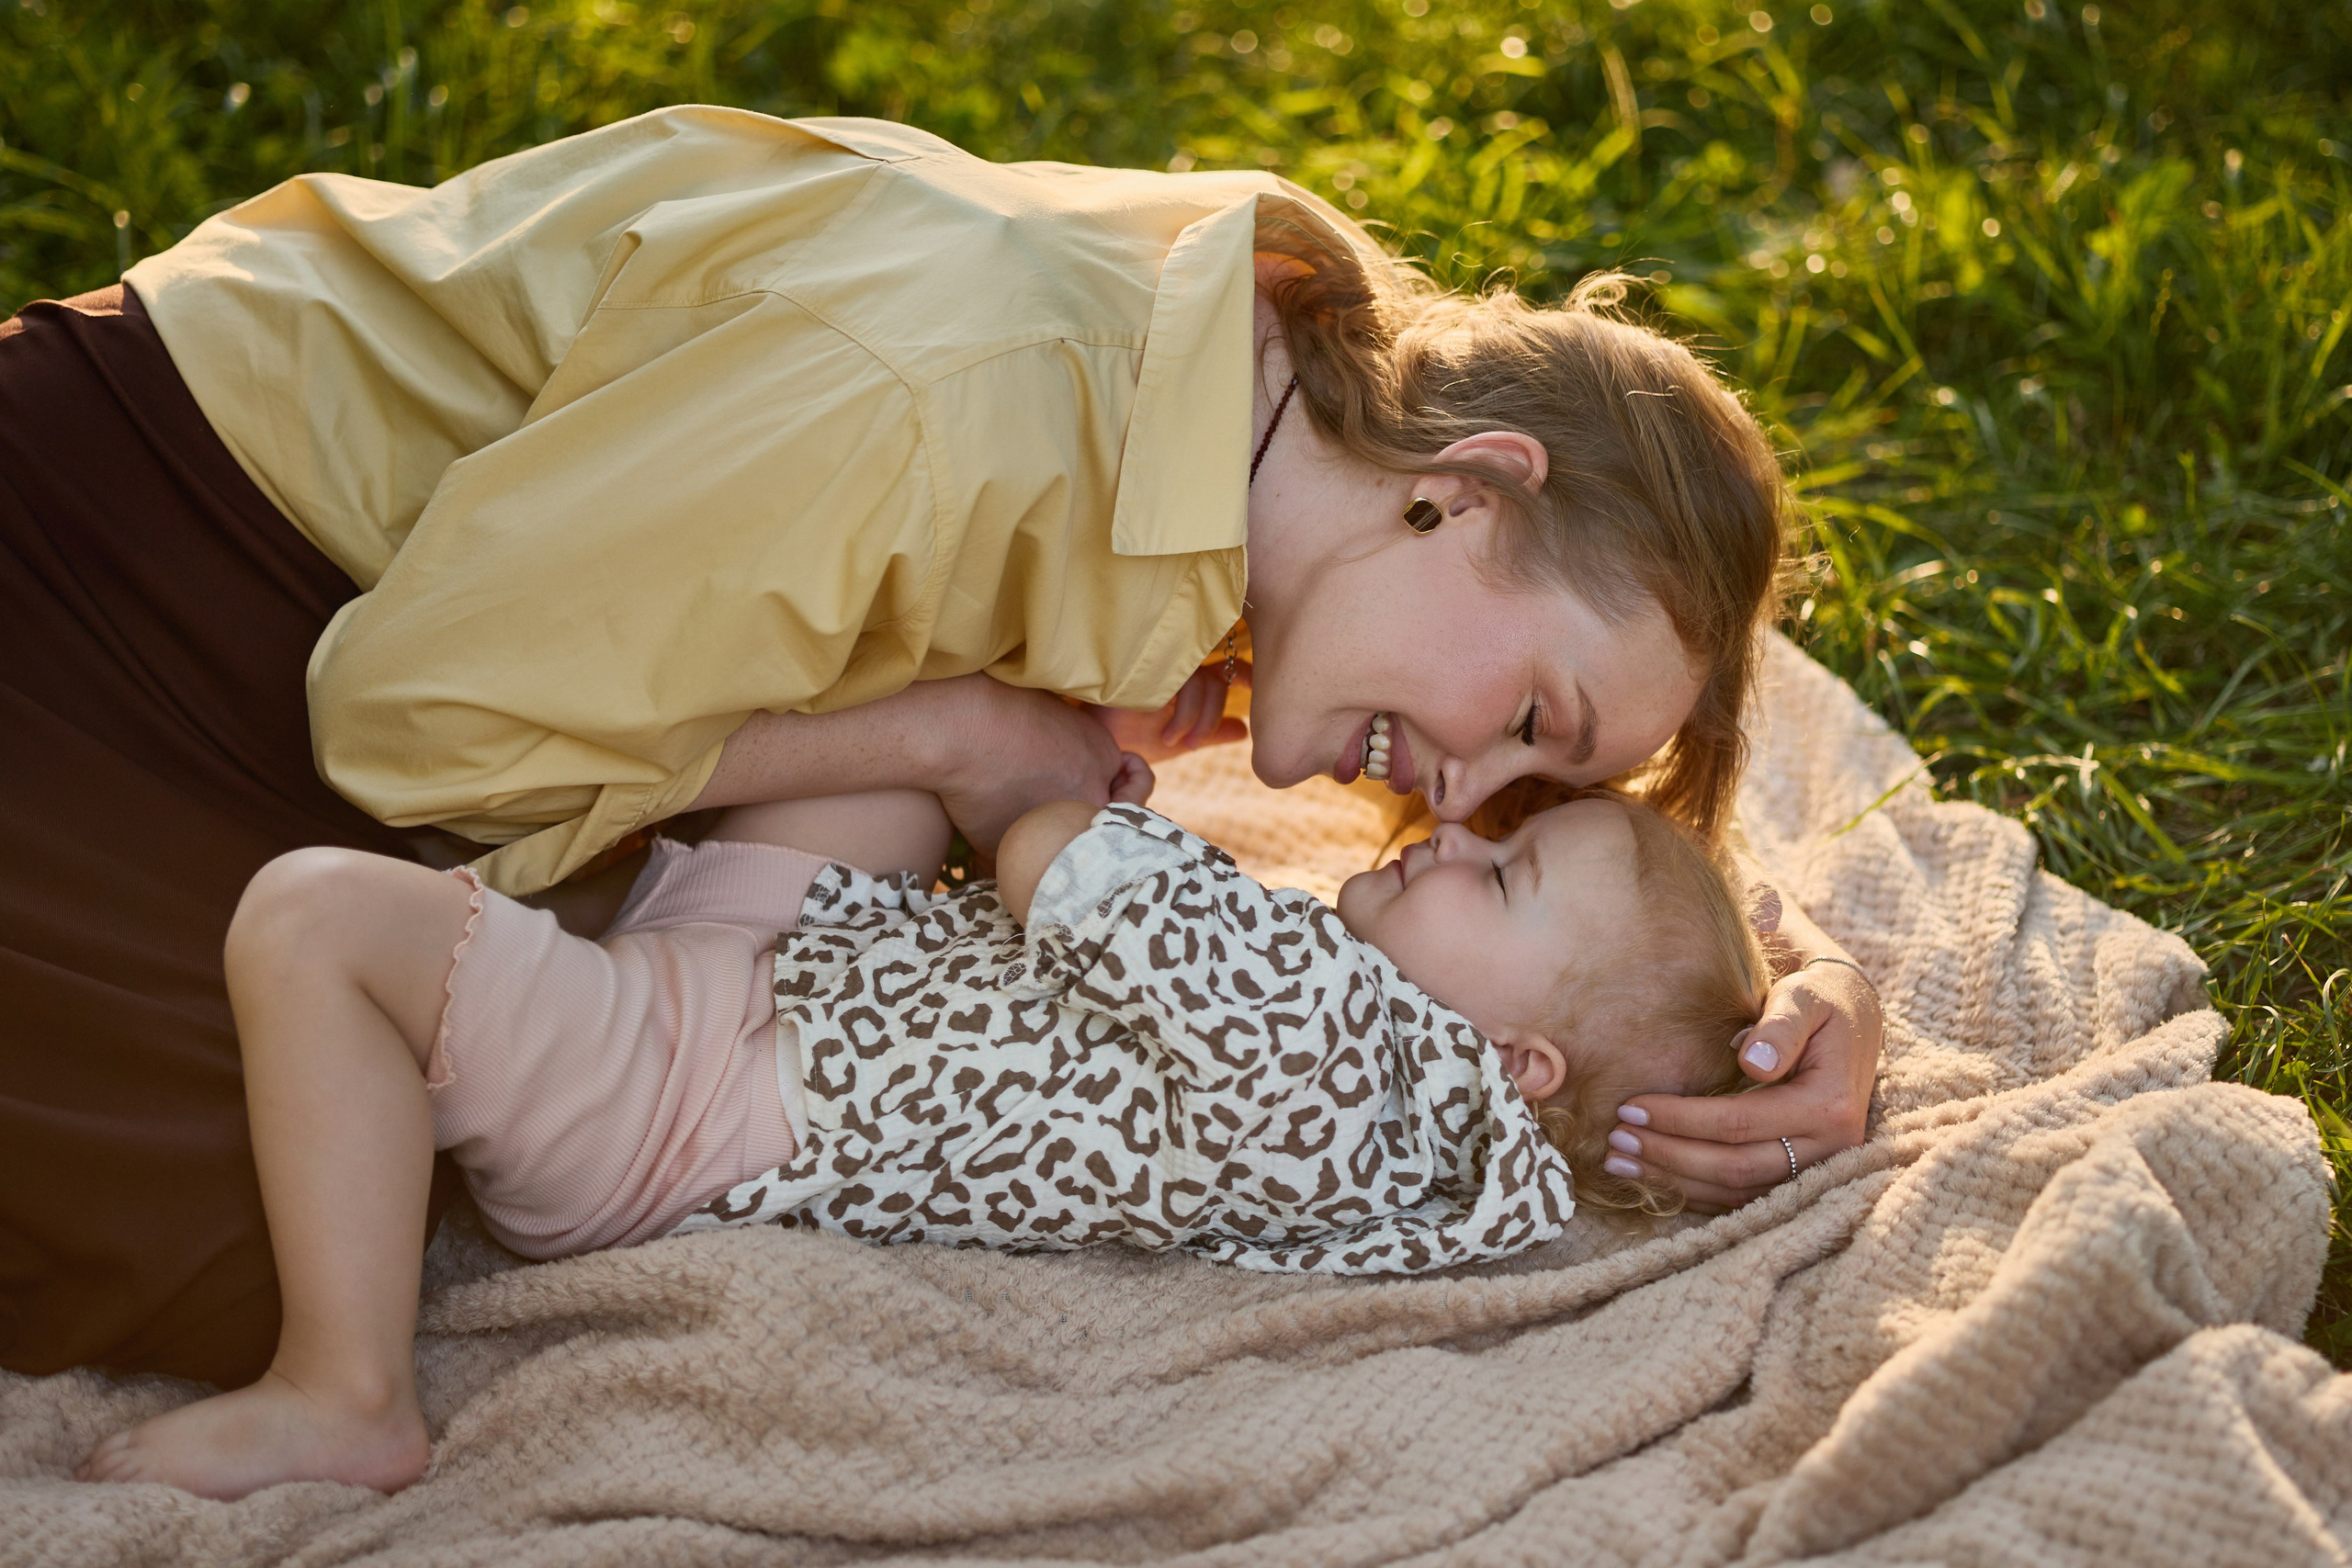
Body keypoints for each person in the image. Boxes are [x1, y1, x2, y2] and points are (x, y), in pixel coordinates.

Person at [1, 107, 1881, 1385]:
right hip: (145, 555)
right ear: (1472, 491)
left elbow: (1559, 944)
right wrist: (963, 730)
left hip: (390, 622)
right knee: (219, 1241)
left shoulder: (1245, 422)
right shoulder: (954, 397)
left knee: (365, 1124)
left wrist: (1767, 999)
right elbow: (408, 722)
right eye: (1529, 730)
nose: (1450, 797)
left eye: (1528, 800)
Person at [78, 778, 1772, 1500]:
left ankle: (344, 1387)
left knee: (310, 921)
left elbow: (1051, 857)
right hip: (825, 979)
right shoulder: (1408, 1115)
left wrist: (1040, 795)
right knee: (903, 729)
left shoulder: (1354, 1056)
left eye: (1506, 877)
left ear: (1517, 1054)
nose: (1457, 836)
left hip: (698, 1095)